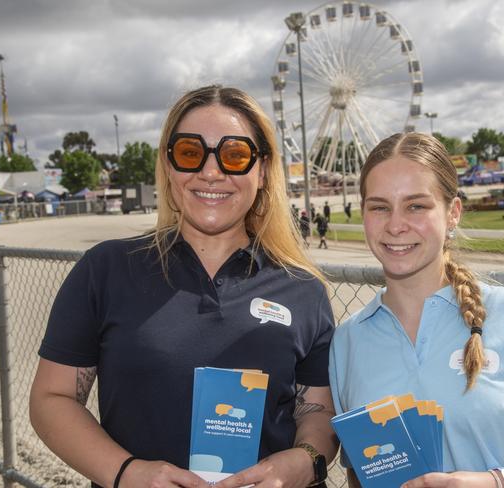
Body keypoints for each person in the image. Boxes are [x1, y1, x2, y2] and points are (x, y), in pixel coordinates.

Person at [30, 85, 338, 488]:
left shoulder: (303, 288)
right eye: (191, 153)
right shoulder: (105, 269)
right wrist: (126, 473)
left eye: (235, 155)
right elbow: (51, 400)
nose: (211, 172)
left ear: (262, 171)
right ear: (169, 166)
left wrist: (305, 460)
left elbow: (317, 410)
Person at [328, 132, 504, 488]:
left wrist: (496, 482)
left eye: (416, 206)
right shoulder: (347, 341)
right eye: (379, 207)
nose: (395, 225)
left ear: (452, 213)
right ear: (363, 214)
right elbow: (361, 469)